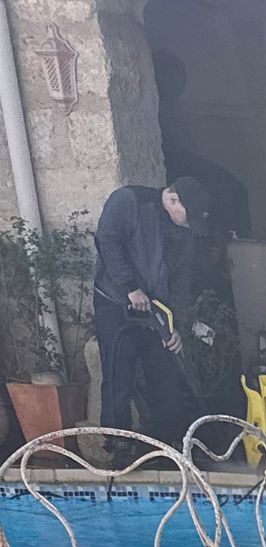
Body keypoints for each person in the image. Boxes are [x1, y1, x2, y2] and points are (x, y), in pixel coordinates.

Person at [91, 174, 210, 438]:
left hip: (156, 314)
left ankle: (167, 445)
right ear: (174, 199)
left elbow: (182, 283)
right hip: (116, 305)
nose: (188, 225)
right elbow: (108, 242)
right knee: (118, 378)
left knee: (166, 382)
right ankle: (117, 446)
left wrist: (177, 326)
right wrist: (130, 287)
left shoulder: (185, 236)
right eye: (187, 216)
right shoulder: (129, 200)